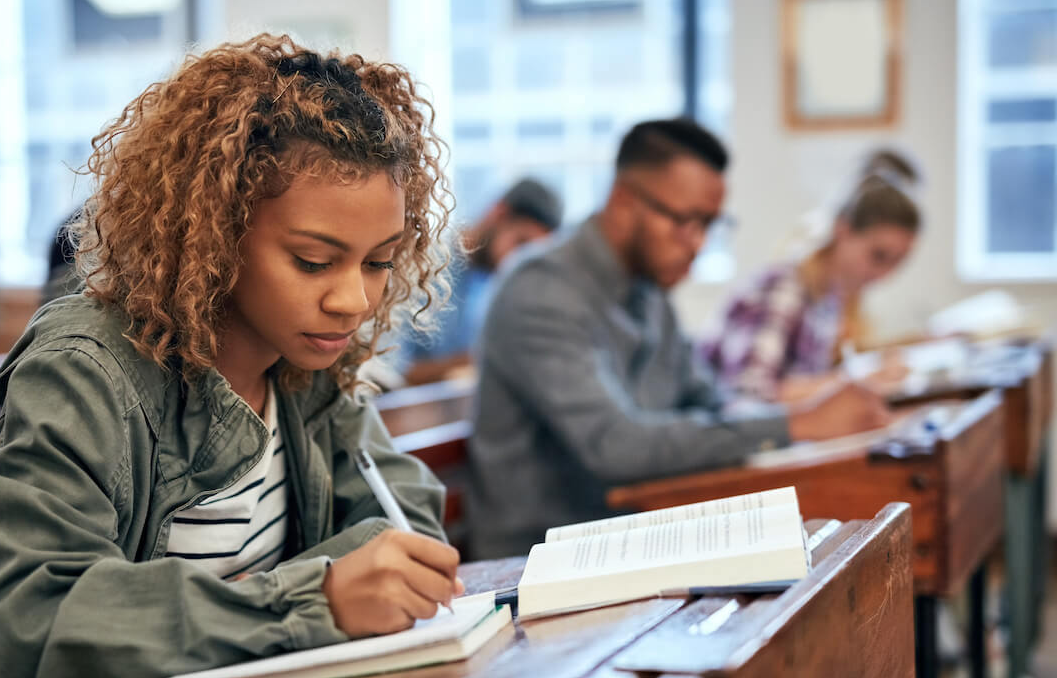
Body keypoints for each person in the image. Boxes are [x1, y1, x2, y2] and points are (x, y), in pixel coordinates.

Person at [0, 34, 461, 678]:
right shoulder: (85, 370)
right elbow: (36, 640)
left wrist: (297, 594)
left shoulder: (307, 362)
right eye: (313, 261)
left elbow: (406, 524)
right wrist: (311, 597)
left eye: (379, 262)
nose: (353, 300)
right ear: (214, 232)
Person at [465, 119, 891, 559]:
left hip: (635, 535)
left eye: (709, 224)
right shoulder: (539, 291)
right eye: (685, 221)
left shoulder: (648, 290)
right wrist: (799, 423)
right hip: (537, 562)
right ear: (624, 201)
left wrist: (792, 423)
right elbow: (619, 448)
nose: (698, 243)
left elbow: (708, 399)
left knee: (825, 548)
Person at [699, 149, 922, 403]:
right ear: (843, 229)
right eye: (878, 256)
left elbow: (812, 378)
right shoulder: (783, 286)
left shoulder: (831, 297)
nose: (885, 274)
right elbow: (749, 395)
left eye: (897, 262)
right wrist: (857, 382)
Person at [392, 178, 562, 385]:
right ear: (498, 214)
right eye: (521, 243)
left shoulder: (494, 284)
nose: (519, 261)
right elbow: (390, 373)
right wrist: (479, 360)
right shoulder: (420, 264)